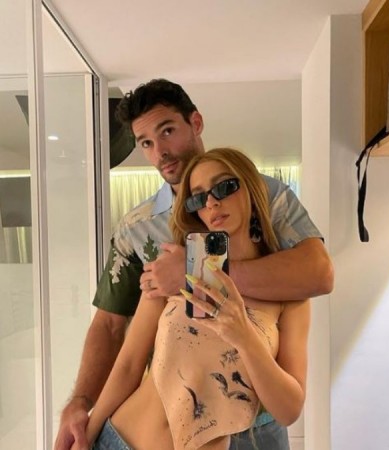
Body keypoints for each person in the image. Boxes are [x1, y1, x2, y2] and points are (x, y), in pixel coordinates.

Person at [55, 79, 333, 450]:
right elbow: (111, 329)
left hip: (252, 426)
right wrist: (81, 406)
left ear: (195, 123)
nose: (160, 152)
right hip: (139, 428)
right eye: (145, 143)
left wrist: (197, 275)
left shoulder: (270, 197)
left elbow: (318, 274)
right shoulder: (138, 229)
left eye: (167, 131)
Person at [79, 147, 308, 449]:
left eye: (224, 187)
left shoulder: (289, 295)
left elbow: (289, 410)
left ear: (252, 191)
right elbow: (129, 365)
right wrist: (86, 436)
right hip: (120, 440)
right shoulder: (173, 271)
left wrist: (243, 335)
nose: (211, 202)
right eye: (198, 198)